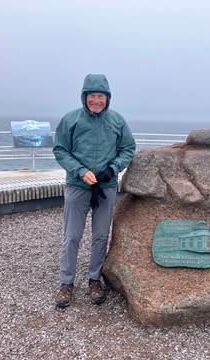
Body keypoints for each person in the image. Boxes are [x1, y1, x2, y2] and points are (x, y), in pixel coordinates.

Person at [53, 74, 135, 308]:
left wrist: (113, 169)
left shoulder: (117, 121)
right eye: (92, 96)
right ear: (84, 96)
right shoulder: (71, 120)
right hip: (77, 186)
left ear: (107, 98)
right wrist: (79, 170)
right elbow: (60, 149)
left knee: (101, 236)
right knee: (72, 236)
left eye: (101, 96)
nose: (96, 100)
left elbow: (128, 147)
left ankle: (94, 279)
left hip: (105, 187)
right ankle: (66, 283)